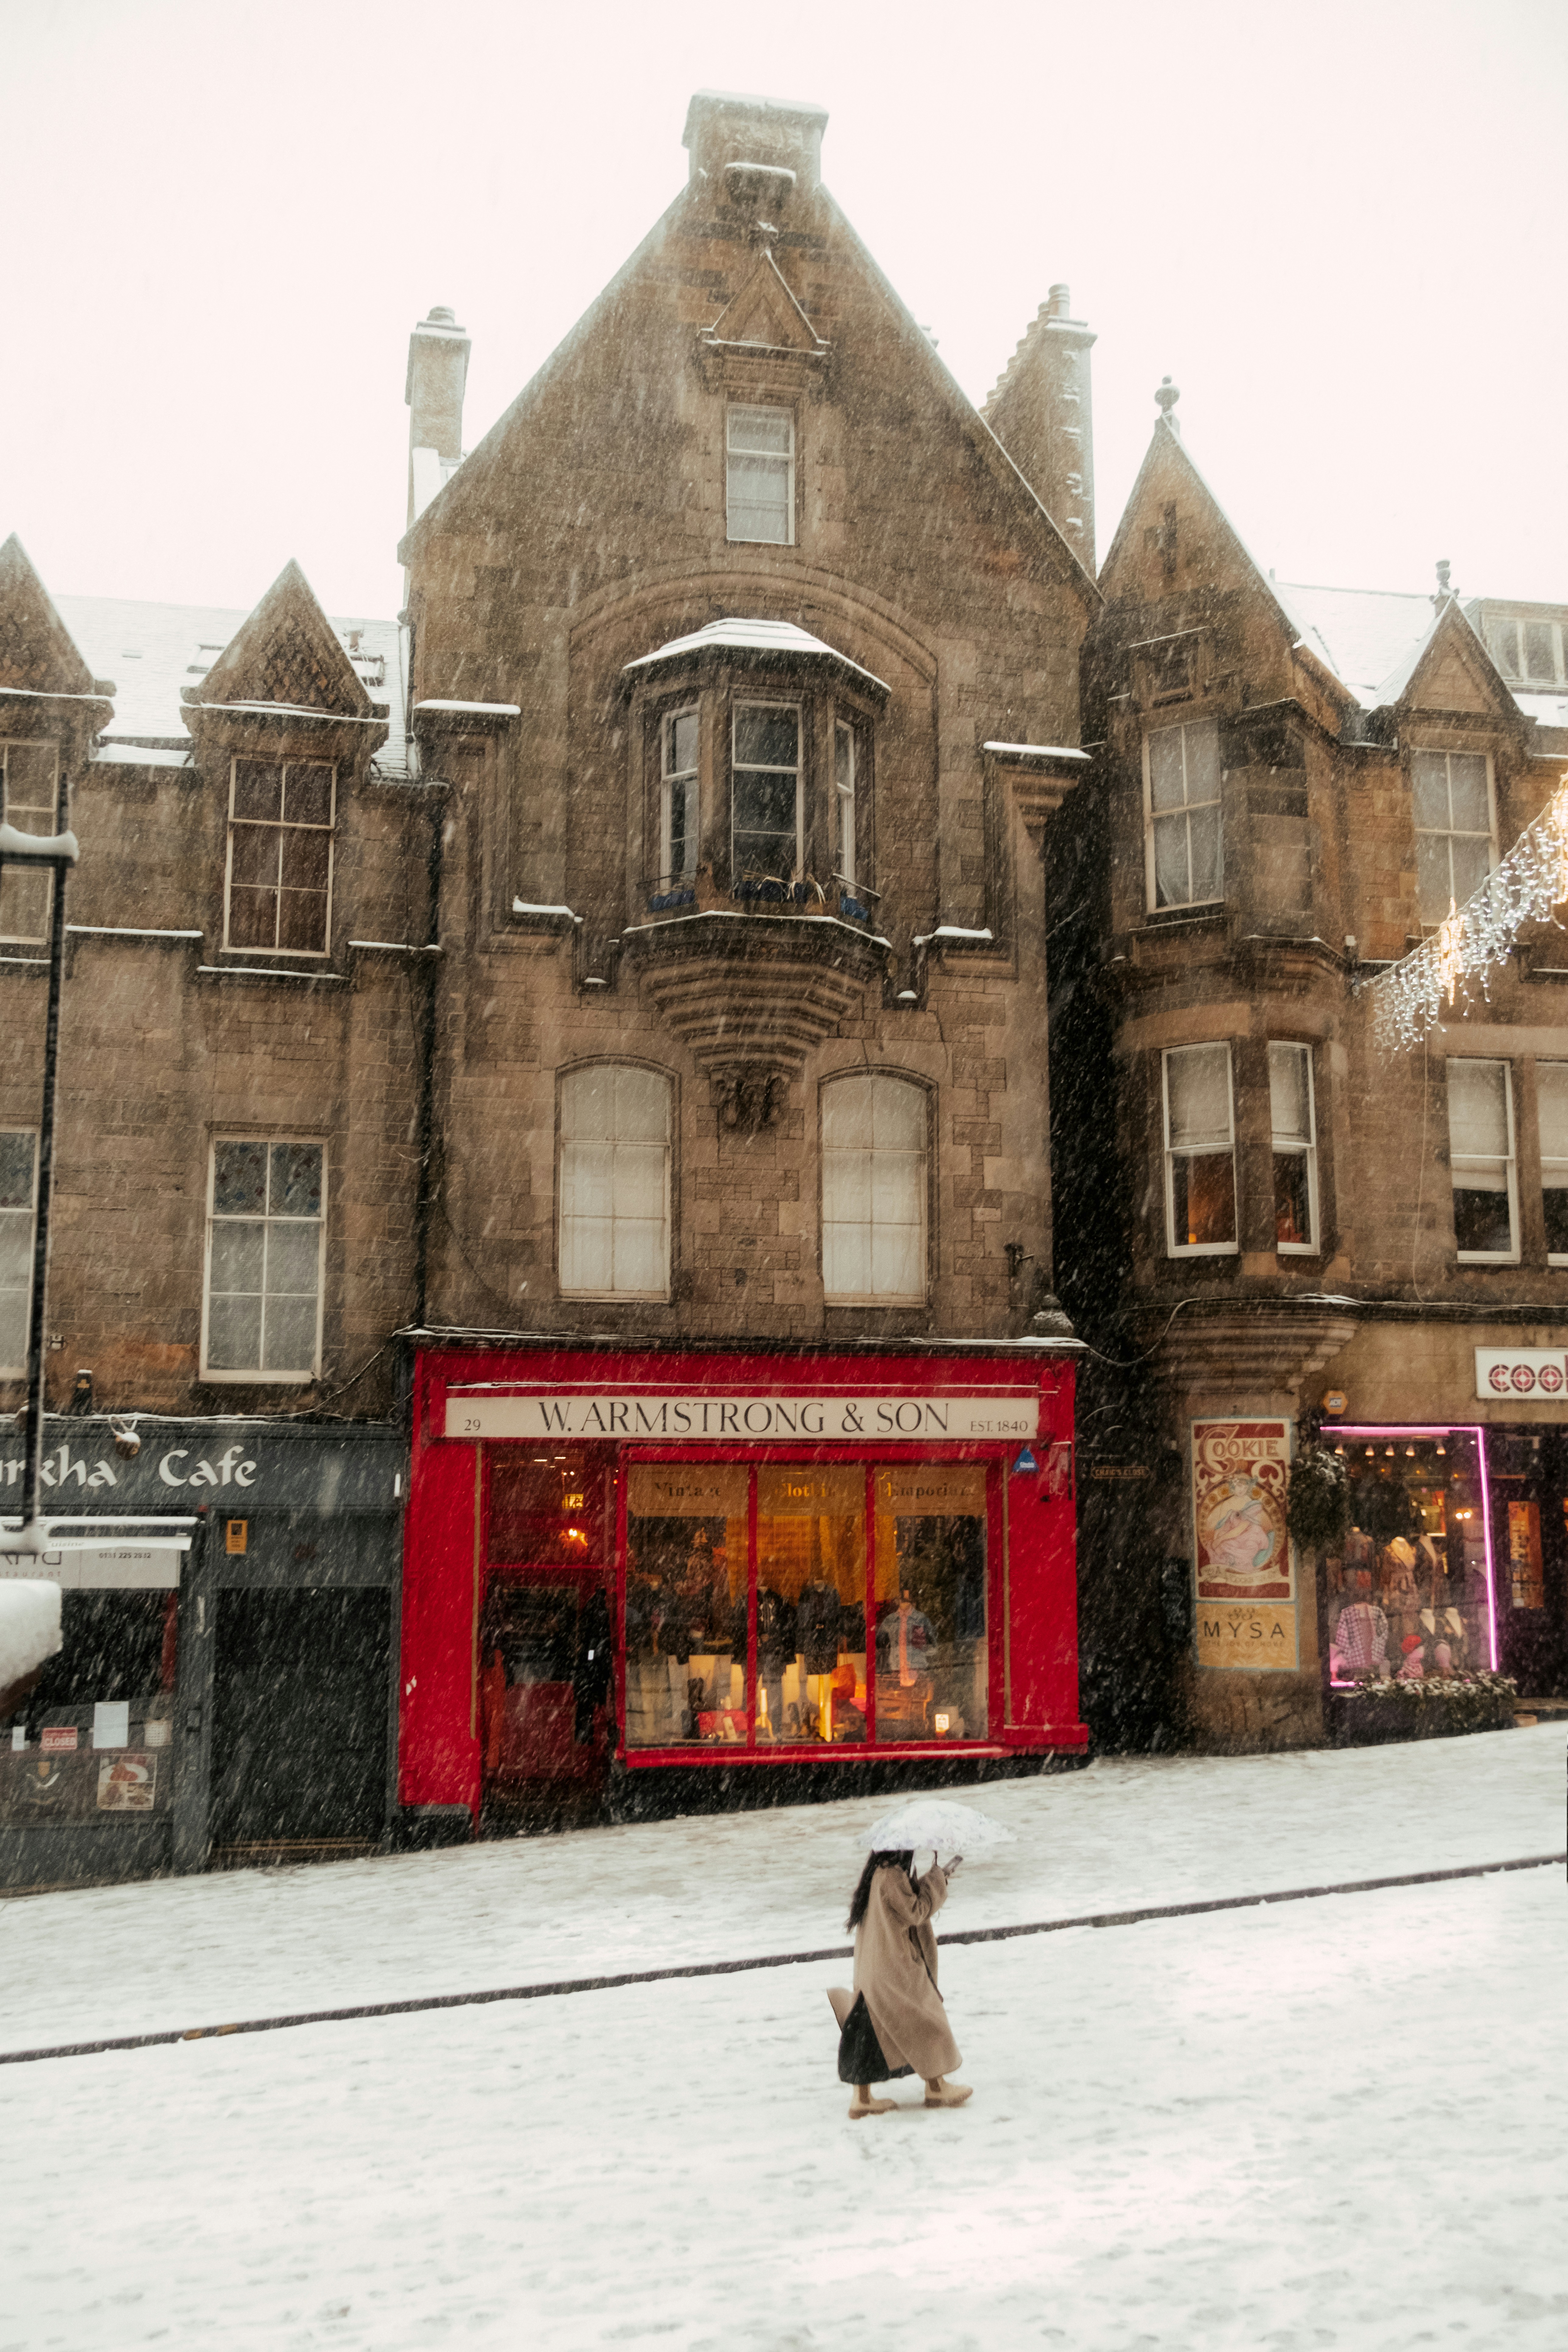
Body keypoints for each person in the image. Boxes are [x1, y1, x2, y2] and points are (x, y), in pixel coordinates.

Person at [841, 1847, 971, 2119]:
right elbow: (915, 1912)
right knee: (925, 2020)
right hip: (894, 1967)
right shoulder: (892, 1876)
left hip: (875, 1968)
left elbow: (903, 1906)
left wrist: (930, 1879)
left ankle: (862, 2099)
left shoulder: (880, 1874)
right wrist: (937, 1880)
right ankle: (937, 2088)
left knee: (872, 2033)